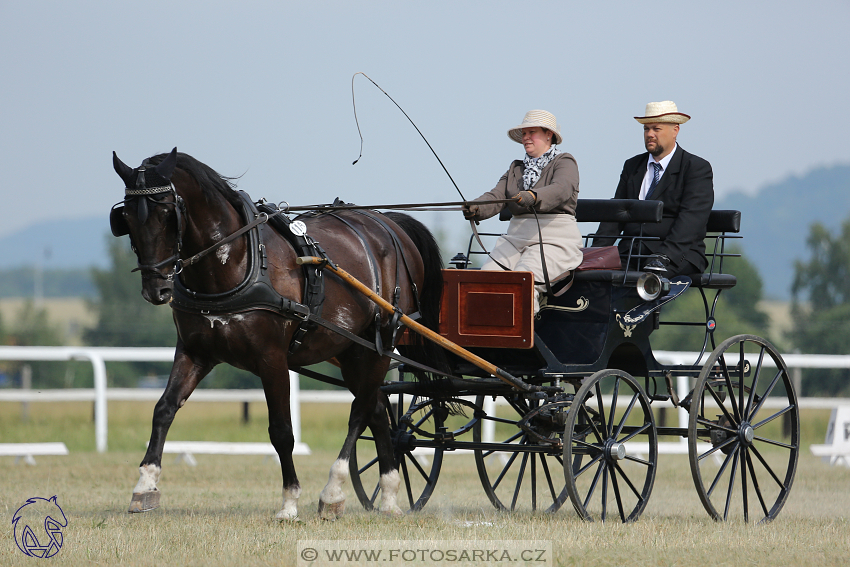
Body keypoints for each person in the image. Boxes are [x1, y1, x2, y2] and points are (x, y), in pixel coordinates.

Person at [462, 110, 583, 309]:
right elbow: (496, 196)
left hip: (554, 239)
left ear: (548, 135)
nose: (526, 138)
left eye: (531, 132)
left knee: (522, 282)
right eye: (524, 134)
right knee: (485, 281)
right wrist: (476, 207)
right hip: (516, 239)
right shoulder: (516, 169)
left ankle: (520, 338)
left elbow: (561, 189)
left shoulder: (564, 162)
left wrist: (534, 196)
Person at [593, 101, 714, 277]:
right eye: (646, 129)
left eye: (656, 129)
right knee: (593, 281)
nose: (650, 134)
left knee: (650, 279)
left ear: (675, 130)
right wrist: (595, 254)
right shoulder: (632, 166)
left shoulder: (695, 168)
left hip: (678, 255)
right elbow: (616, 214)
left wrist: (664, 256)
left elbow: (691, 220)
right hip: (631, 252)